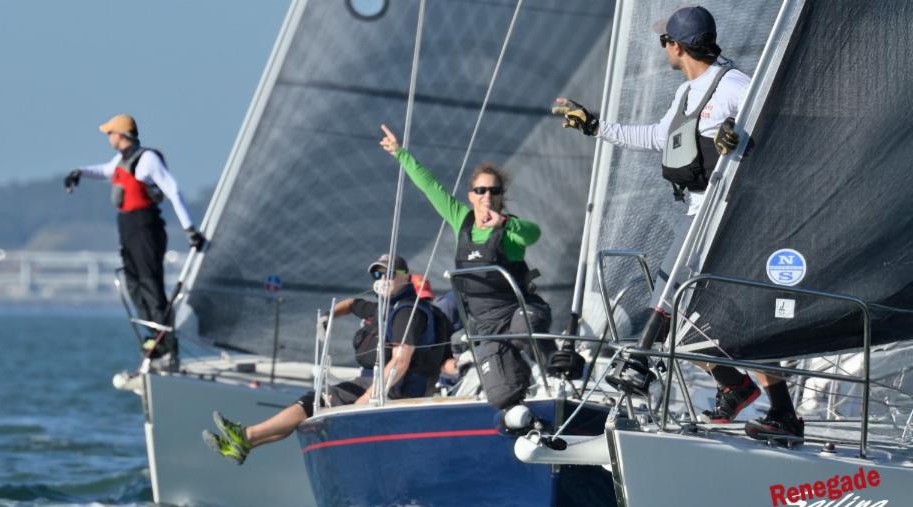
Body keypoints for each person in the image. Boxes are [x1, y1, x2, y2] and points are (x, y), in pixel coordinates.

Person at [551, 6, 800, 443]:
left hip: (730, 215)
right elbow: (655, 137)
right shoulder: (687, 93)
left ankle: (780, 411)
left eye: (663, 41)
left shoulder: (735, 86)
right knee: (682, 310)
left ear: (678, 46)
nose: (662, 48)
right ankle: (734, 385)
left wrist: (739, 138)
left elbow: (777, 130)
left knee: (677, 300)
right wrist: (593, 126)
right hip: (696, 211)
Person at [202, 254, 448, 464]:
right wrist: (329, 316)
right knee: (311, 407)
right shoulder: (384, 307)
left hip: (397, 390)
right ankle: (245, 441)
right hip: (379, 382)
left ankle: (246, 438)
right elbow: (353, 304)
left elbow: (400, 362)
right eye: (378, 275)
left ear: (406, 276)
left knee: (315, 400)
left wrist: (366, 400)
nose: (383, 280)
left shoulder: (406, 312)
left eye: (390, 274)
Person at [379, 124, 557, 410]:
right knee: (502, 396)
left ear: (500, 196)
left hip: (518, 312)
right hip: (486, 326)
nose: (487, 195)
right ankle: (520, 393)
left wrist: (506, 222)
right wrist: (400, 153)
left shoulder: (509, 230)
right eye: (480, 190)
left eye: (493, 190)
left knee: (525, 329)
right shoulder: (460, 217)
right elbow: (429, 186)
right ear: (471, 194)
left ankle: (556, 371)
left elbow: (533, 234)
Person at [64, 114, 206, 368]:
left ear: (121, 135)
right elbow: (104, 171)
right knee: (134, 287)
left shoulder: (147, 159)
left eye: (110, 133)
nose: (108, 137)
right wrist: (80, 173)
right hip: (127, 227)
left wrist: (190, 230)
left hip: (145, 227)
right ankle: (154, 340)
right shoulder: (121, 160)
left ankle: (168, 349)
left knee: (151, 286)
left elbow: (172, 189)